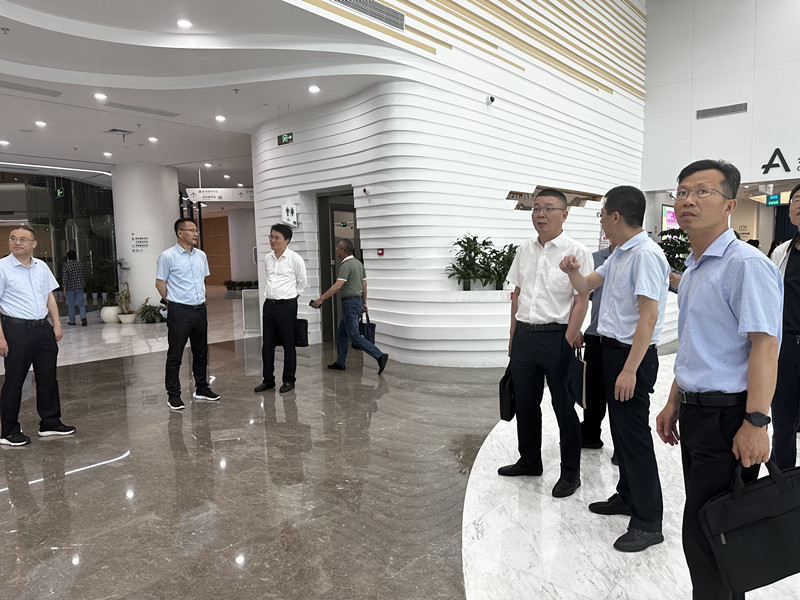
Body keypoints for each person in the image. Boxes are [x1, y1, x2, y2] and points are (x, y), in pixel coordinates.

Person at [655, 159, 782, 600]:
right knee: (710, 533)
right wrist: (675, 399)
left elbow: (765, 346)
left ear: (730, 204)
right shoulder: (694, 268)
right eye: (682, 191)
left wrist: (757, 422)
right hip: (697, 415)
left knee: (712, 536)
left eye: (702, 191)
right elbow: (696, 342)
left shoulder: (745, 265)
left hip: (729, 418)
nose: (687, 200)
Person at [561, 186, 669, 552]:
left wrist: (630, 370)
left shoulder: (646, 255)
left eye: (602, 214)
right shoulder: (619, 253)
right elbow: (586, 285)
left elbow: (648, 317)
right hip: (609, 351)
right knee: (621, 434)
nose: (602, 221)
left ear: (616, 217)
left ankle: (649, 521)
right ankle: (627, 496)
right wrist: (573, 271)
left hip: (630, 356)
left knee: (634, 438)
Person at [498, 188, 591, 499]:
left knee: (564, 408)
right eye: (536, 208)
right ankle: (529, 461)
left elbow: (581, 300)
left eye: (549, 208)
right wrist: (513, 336)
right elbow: (517, 295)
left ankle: (570, 474)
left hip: (557, 337)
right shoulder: (524, 249)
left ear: (564, 214)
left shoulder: (576, 251)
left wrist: (567, 341)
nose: (540, 214)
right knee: (525, 404)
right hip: (525, 338)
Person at [0, 226, 76, 445]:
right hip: (16, 330)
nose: (17, 242)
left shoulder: (41, 266)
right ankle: (9, 431)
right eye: (13, 238)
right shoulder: (2, 267)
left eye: (23, 239)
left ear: (33, 244)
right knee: (14, 380)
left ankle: (50, 422)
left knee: (48, 377)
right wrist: (1, 337)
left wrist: (57, 325)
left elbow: (49, 296)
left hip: (43, 329)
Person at [156, 218, 220, 411]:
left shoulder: (201, 255)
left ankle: (202, 388)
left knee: (201, 352)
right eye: (191, 230)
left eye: (196, 230)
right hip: (179, 311)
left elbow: (201, 280)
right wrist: (172, 301)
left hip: (200, 310)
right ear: (180, 233)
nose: (195, 234)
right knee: (175, 355)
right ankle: (174, 395)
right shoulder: (167, 256)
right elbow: (160, 283)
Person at [311, 239, 388, 374]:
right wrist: (364, 303)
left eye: (338, 248)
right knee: (342, 333)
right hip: (357, 302)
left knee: (354, 336)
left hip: (350, 304)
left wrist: (320, 299)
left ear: (343, 250)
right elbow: (364, 285)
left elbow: (338, 286)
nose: (336, 250)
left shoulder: (346, 266)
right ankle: (340, 362)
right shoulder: (359, 264)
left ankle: (379, 355)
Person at [254, 223, 307, 394]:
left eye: (276, 237)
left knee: (288, 344)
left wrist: (292, 296)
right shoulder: (268, 258)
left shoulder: (294, 258)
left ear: (287, 240)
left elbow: (302, 282)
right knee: (267, 345)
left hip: (287, 306)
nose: (272, 240)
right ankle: (268, 380)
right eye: (271, 236)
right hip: (269, 305)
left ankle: (289, 380)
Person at [769, 182, 800, 469]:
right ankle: (784, 482)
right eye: (796, 199)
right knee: (782, 420)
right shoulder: (781, 253)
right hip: (787, 348)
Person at [580, 242, 615, 450]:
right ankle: (590, 435)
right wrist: (575, 328)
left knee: (623, 396)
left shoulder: (643, 255)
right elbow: (579, 294)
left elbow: (673, 280)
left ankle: (622, 447)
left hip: (624, 341)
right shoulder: (594, 259)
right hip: (595, 335)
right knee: (593, 393)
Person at [62, 250, 87, 326]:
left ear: (68, 257)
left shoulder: (67, 266)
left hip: (70, 288)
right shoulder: (80, 265)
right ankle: (83, 317)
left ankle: (72, 320)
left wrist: (64, 291)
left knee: (71, 305)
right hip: (80, 287)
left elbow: (65, 279)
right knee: (81, 304)